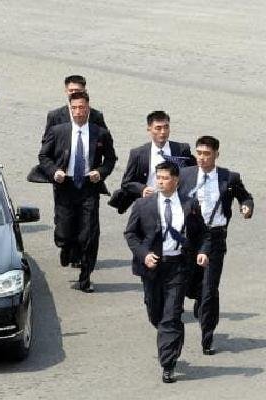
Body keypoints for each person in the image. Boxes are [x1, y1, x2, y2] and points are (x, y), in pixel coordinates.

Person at [124, 161, 210, 383]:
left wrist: (202, 252)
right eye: (158, 178)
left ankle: (168, 364)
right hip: (152, 268)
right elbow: (131, 234)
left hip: (178, 266)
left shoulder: (189, 204)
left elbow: (203, 233)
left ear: (176, 180)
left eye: (165, 178)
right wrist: (144, 254)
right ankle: (172, 337)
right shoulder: (143, 205)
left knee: (171, 316)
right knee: (156, 315)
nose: (160, 182)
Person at [178, 135, 253, 355]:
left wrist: (246, 207)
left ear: (216, 155)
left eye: (207, 154)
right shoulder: (185, 174)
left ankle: (207, 336)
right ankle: (199, 299)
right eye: (199, 153)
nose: (202, 158)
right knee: (191, 285)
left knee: (210, 289)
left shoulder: (229, 177)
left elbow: (245, 197)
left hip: (215, 238)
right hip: (190, 237)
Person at [38, 91, 117, 290]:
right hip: (65, 186)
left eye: (82, 107)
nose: (78, 112)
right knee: (64, 231)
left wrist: (100, 172)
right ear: (69, 108)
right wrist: (54, 171)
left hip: (88, 187)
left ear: (88, 108)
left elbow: (110, 159)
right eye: (74, 108)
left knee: (89, 234)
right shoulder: (58, 131)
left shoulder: (100, 133)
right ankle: (66, 246)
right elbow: (44, 156)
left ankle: (85, 278)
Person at [109, 111, 195, 213]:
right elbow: (126, 183)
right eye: (158, 128)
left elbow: (194, 174)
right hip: (149, 205)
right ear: (149, 129)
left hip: (177, 204)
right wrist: (142, 189)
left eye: (166, 127)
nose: (163, 132)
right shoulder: (138, 154)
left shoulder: (181, 149)